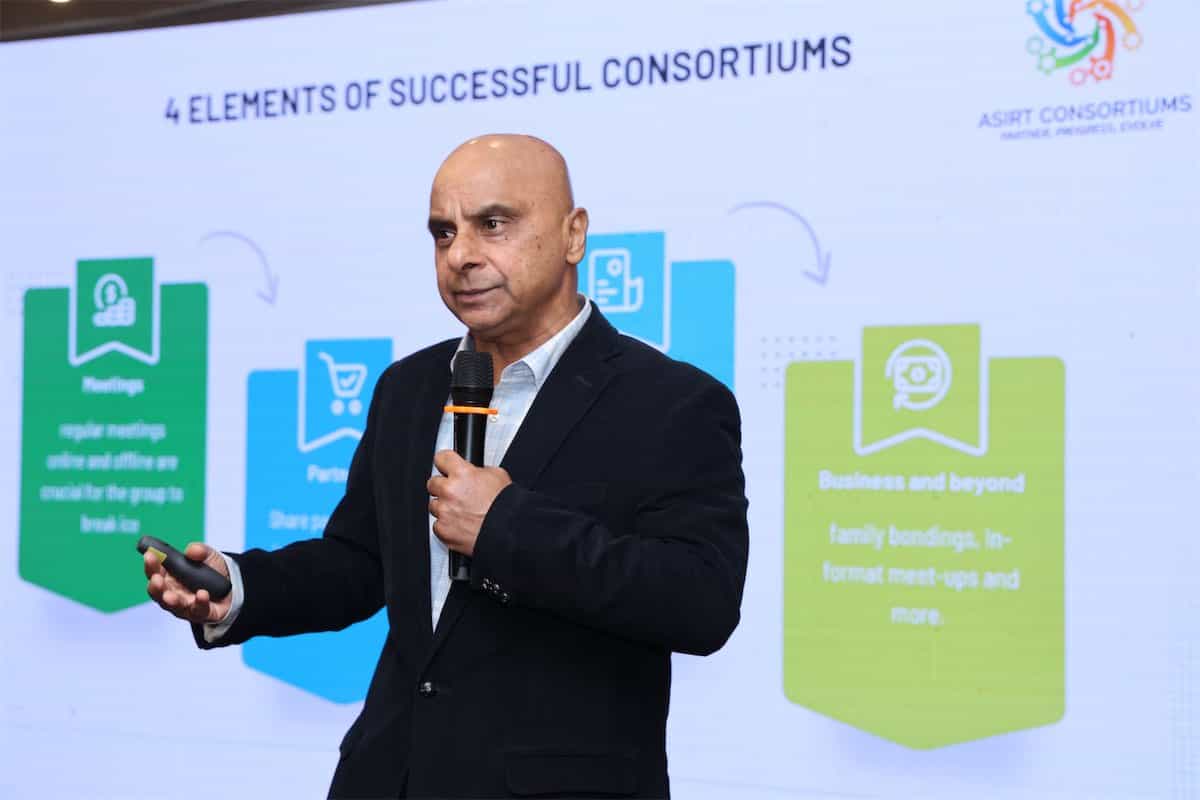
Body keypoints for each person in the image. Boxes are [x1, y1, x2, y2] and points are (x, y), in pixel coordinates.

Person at [144, 134, 749, 799]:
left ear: (573, 235)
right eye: (443, 233)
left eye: (493, 224)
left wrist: (505, 528)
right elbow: (360, 563)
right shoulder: (408, 387)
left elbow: (701, 602)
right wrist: (239, 587)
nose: (461, 255)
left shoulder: (672, 403)